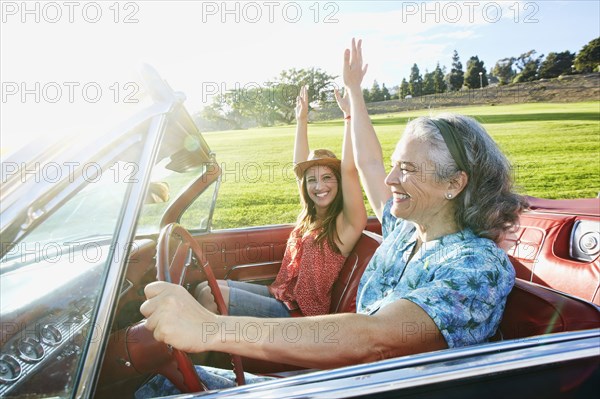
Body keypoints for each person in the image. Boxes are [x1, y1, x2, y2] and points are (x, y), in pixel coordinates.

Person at [137, 39, 527, 394]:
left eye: (407, 169)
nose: (391, 179)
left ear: (454, 183)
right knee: (158, 382)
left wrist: (210, 328)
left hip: (369, 388)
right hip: (344, 379)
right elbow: (369, 163)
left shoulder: (478, 266)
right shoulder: (403, 227)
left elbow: (376, 339)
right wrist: (355, 93)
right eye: (395, 166)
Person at [194, 85, 367, 318]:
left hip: (303, 316)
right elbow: (299, 166)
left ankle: (205, 352)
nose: (319, 186)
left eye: (328, 178)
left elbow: (349, 170)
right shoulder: (310, 214)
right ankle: (216, 351)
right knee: (204, 287)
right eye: (312, 180)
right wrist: (301, 120)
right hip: (282, 296)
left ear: (339, 182)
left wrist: (348, 116)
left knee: (209, 295)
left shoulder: (345, 226)